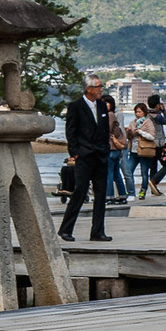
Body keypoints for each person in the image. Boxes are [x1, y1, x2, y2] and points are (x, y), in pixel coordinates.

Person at [57, 74, 110, 243]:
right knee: (79, 192)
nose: (101, 89)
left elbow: (104, 131)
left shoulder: (102, 106)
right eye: (99, 87)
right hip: (85, 156)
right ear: (89, 89)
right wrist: (75, 153)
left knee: (101, 194)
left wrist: (106, 149)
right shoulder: (75, 106)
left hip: (101, 156)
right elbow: (71, 132)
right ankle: (65, 230)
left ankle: (98, 231)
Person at [103, 94, 130, 205]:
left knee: (109, 173)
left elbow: (106, 131)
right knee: (116, 173)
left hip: (110, 148)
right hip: (116, 149)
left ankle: (109, 196)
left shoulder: (109, 115)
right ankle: (122, 195)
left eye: (106, 103)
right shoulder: (113, 115)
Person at [128, 102, 159, 198]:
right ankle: (130, 191)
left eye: (140, 112)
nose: (137, 114)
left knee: (144, 173)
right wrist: (128, 132)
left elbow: (152, 136)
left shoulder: (148, 122)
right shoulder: (132, 122)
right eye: (136, 112)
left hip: (145, 151)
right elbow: (129, 136)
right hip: (133, 150)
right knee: (128, 171)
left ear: (144, 112)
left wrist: (140, 132)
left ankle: (143, 191)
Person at [145, 94, 166, 188]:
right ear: (157, 105)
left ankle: (153, 187)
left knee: (153, 167)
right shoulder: (158, 116)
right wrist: (163, 110)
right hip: (159, 144)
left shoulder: (146, 114)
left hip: (149, 144)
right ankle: (154, 181)